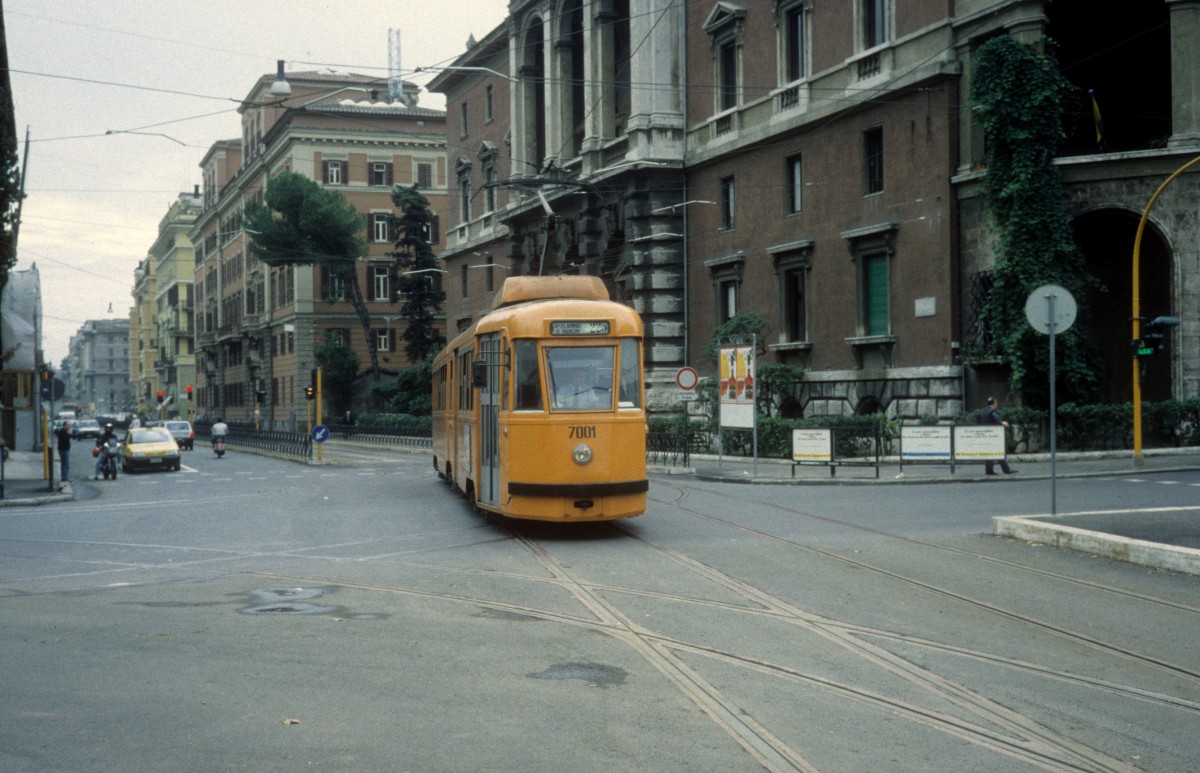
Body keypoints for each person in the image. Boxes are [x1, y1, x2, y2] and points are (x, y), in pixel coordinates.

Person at [977, 397, 1017, 475]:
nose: (997, 404)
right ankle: (1006, 470)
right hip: (992, 436)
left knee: (989, 453)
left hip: (984, 436)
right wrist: (1003, 423)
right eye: (996, 403)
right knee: (999, 452)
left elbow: (978, 421)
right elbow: (997, 420)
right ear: (994, 403)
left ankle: (989, 471)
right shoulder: (992, 411)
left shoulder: (982, 411)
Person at [55, 419, 72, 487]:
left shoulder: (63, 431)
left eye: (69, 425)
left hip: (63, 449)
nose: (69, 426)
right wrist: (69, 434)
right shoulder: (63, 432)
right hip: (64, 449)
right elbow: (66, 439)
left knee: (64, 463)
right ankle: (64, 478)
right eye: (68, 425)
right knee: (65, 464)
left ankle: (64, 477)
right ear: (65, 426)